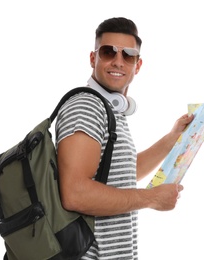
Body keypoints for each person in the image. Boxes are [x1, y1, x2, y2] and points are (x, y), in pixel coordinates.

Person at [55, 17, 194, 260]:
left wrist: (171, 139)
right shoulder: (86, 107)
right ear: (92, 58)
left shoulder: (109, 110)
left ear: (137, 65)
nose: (118, 61)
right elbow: (75, 192)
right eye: (108, 52)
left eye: (128, 55)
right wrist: (151, 199)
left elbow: (118, 176)